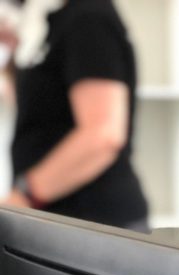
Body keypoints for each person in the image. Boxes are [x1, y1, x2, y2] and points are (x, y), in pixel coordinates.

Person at [1, 0, 149, 231]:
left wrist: (24, 195)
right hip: (56, 219)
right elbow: (34, 111)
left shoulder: (88, 18)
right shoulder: (47, 20)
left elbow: (103, 135)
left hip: (94, 222)